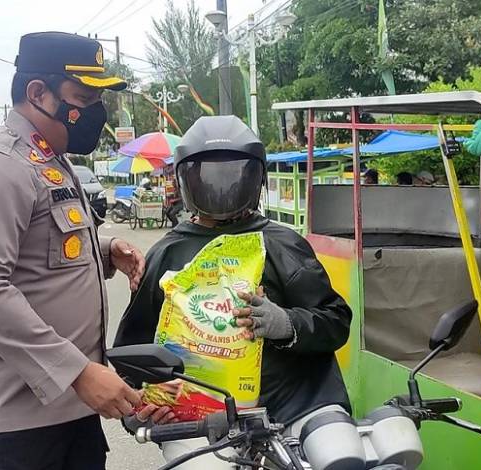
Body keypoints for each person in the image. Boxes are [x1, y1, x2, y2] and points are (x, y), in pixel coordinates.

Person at [0, 32, 144, 470]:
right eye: (84, 97)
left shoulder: (50, 158)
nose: (95, 113)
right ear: (38, 93)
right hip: (18, 420)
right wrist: (77, 370)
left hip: (68, 405)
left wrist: (107, 251)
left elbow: (42, 248)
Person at [114, 115, 354, 469]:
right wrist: (138, 407)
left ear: (255, 178)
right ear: (184, 179)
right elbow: (133, 352)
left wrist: (286, 324)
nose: (220, 187)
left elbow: (336, 321)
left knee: (344, 457)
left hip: (298, 406)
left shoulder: (283, 244)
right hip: (201, 419)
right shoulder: (168, 253)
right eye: (207, 176)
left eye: (233, 174)